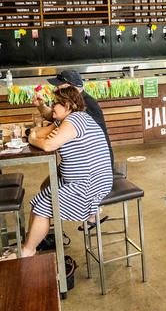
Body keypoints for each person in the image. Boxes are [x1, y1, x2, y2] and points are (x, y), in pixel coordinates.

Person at [20, 87, 113, 257]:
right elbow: (41, 133)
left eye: (55, 103)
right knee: (38, 200)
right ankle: (31, 244)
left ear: (68, 105)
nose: (52, 106)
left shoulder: (76, 120)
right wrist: (37, 136)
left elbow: (48, 144)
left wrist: (35, 139)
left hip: (89, 184)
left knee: (44, 205)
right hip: (74, 180)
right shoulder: (64, 120)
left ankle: (27, 251)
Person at [33, 70, 113, 167]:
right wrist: (41, 106)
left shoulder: (86, 104)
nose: (55, 88)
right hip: (82, 162)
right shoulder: (72, 104)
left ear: (70, 87)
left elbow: (68, 128)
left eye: (59, 85)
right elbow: (56, 118)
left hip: (96, 164)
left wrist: (57, 130)